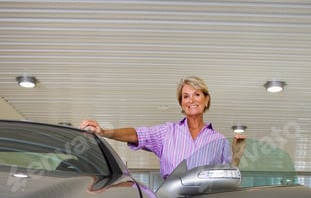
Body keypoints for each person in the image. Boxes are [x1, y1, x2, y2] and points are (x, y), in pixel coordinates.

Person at [80, 76, 241, 179]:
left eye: (197, 94)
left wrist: (238, 153)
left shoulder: (218, 140)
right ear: (181, 103)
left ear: (206, 100)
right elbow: (138, 134)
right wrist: (105, 132)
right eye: (186, 96)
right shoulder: (167, 132)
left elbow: (227, 175)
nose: (191, 100)